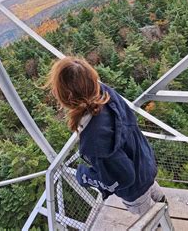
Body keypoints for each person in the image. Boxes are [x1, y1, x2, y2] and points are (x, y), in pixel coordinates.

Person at [47, 56, 166, 215]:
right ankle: (164, 207)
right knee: (154, 192)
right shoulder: (106, 94)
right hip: (144, 160)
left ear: (67, 98)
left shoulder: (94, 141)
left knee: (150, 216)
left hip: (135, 187)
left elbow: (123, 178)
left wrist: (84, 176)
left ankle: (162, 223)